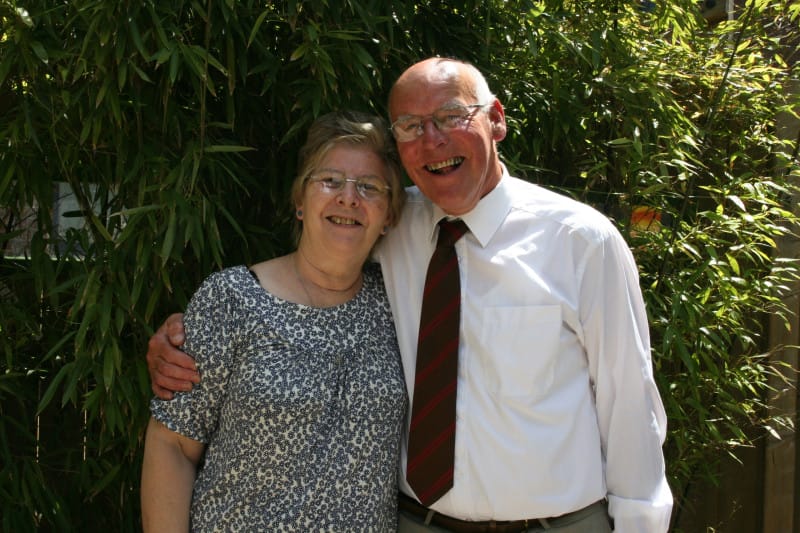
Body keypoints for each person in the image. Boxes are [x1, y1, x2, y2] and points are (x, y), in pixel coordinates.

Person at [147, 57, 674, 532]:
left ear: (496, 119)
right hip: (418, 524)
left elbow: (630, 405)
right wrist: (187, 334)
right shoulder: (391, 228)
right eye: (411, 126)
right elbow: (304, 274)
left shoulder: (580, 240)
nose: (433, 140)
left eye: (450, 117)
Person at [140, 110, 408, 531]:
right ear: (300, 200)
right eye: (330, 180)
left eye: (370, 187)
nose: (348, 198)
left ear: (390, 215)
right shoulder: (232, 299)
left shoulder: (401, 303)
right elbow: (171, 444)